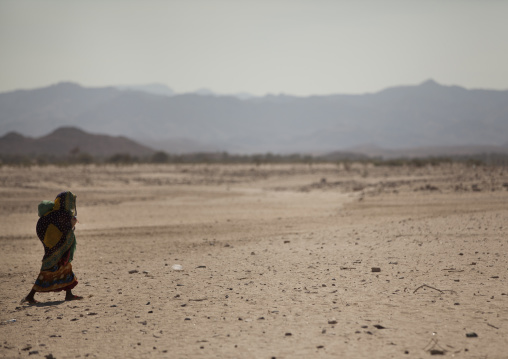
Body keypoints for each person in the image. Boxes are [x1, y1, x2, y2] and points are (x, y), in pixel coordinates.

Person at [23, 191, 82, 304]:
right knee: (48, 269)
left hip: (52, 245)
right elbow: (66, 231)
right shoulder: (61, 215)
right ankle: (30, 295)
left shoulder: (52, 213)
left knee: (65, 267)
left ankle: (68, 294)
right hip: (56, 246)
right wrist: (72, 224)